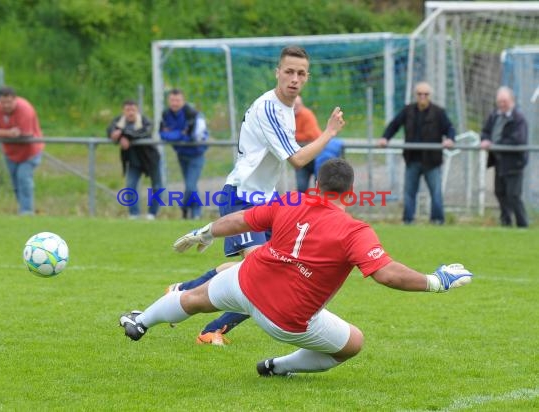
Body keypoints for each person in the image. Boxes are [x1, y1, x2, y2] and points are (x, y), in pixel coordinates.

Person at [119, 158, 473, 377]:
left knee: (195, 297)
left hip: (246, 284)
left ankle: (141, 321)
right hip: (285, 320)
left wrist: (203, 232)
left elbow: (241, 219)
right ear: (350, 193)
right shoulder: (354, 230)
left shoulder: (290, 200)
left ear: (316, 184)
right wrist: (436, 281)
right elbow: (386, 272)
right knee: (352, 344)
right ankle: (277, 366)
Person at [164, 46, 347, 345]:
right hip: (243, 196)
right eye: (289, 71)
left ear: (307, 78)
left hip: (266, 199)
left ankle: (183, 292)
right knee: (263, 277)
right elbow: (298, 160)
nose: (294, 79)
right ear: (277, 72)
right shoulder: (269, 108)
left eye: (301, 73)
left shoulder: (286, 109)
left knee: (272, 269)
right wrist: (328, 133)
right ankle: (211, 328)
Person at [378, 82, 455, 225]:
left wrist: (450, 139)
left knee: (436, 193)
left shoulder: (438, 112)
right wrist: (385, 138)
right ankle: (408, 220)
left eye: (425, 94)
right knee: (409, 193)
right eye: (419, 94)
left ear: (430, 96)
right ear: (415, 95)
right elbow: (394, 125)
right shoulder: (408, 111)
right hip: (412, 159)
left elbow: (449, 128)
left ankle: (437, 220)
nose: (422, 97)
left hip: (432, 161)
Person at [0, 86, 44, 215]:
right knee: (15, 184)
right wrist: (10, 133)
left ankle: (27, 212)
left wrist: (4, 133)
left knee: (23, 179)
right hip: (10, 153)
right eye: (3, 102)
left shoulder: (25, 109)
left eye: (9, 102)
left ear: (15, 100)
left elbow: (25, 135)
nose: (6, 106)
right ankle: (23, 210)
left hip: (30, 152)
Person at [480, 86, 528, 228]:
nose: (502, 104)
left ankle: (522, 224)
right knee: (500, 192)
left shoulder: (519, 119)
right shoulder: (494, 116)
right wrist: (485, 140)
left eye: (504, 101)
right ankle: (505, 222)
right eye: (499, 101)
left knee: (513, 195)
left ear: (511, 101)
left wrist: (496, 144)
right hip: (499, 162)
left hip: (514, 163)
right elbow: (485, 131)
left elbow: (518, 139)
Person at [159, 89, 209, 220]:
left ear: (183, 101)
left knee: (190, 185)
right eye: (172, 100)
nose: (174, 103)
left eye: (178, 100)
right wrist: (180, 134)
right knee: (190, 185)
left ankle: (190, 209)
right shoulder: (166, 114)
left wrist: (175, 135)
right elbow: (163, 134)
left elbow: (193, 137)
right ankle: (192, 212)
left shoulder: (192, 114)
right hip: (181, 154)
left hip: (196, 154)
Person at [107, 99, 161, 220]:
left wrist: (123, 135)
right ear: (123, 111)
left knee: (157, 187)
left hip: (151, 160)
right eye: (127, 110)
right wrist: (118, 136)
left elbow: (143, 132)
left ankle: (152, 214)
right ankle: (134, 214)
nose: (130, 112)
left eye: (133, 110)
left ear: (137, 110)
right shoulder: (119, 122)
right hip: (133, 161)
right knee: (130, 187)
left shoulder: (145, 120)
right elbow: (110, 130)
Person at [293, 96, 322, 192]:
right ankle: (303, 206)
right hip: (301, 157)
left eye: (297, 105)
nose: (294, 107)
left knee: (320, 186)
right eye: (293, 105)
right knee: (301, 188)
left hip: (317, 156)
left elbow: (311, 135)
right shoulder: (288, 116)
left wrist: (292, 136)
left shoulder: (306, 114)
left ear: (301, 105)